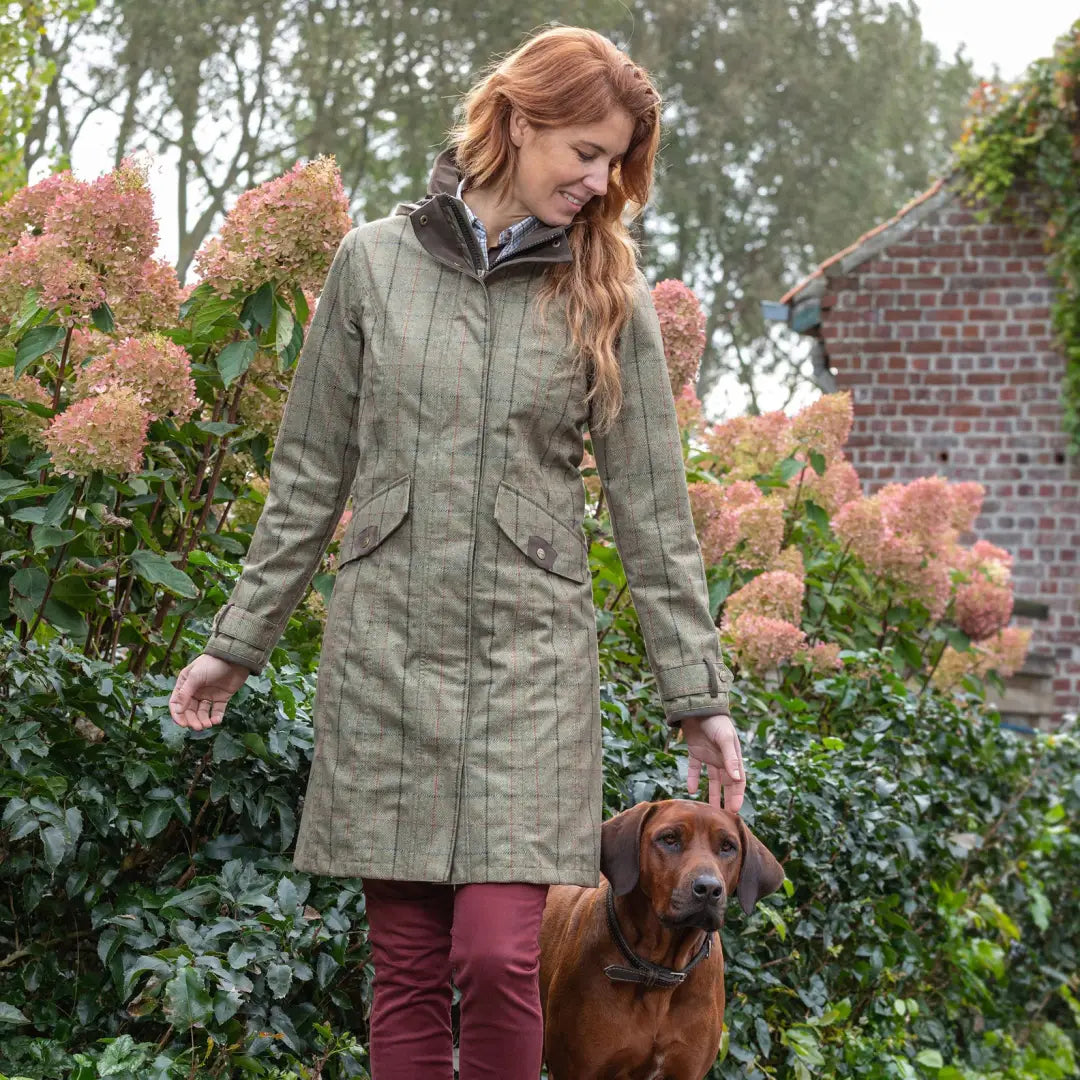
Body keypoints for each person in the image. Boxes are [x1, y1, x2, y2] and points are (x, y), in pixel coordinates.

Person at [168, 25, 745, 1080]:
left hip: (532, 663)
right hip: (387, 647)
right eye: (585, 149)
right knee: (406, 964)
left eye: (615, 160)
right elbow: (308, 475)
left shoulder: (603, 291)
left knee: (493, 955)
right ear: (520, 122)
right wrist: (235, 643)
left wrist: (696, 694)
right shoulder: (371, 265)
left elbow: (653, 510)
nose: (600, 178)